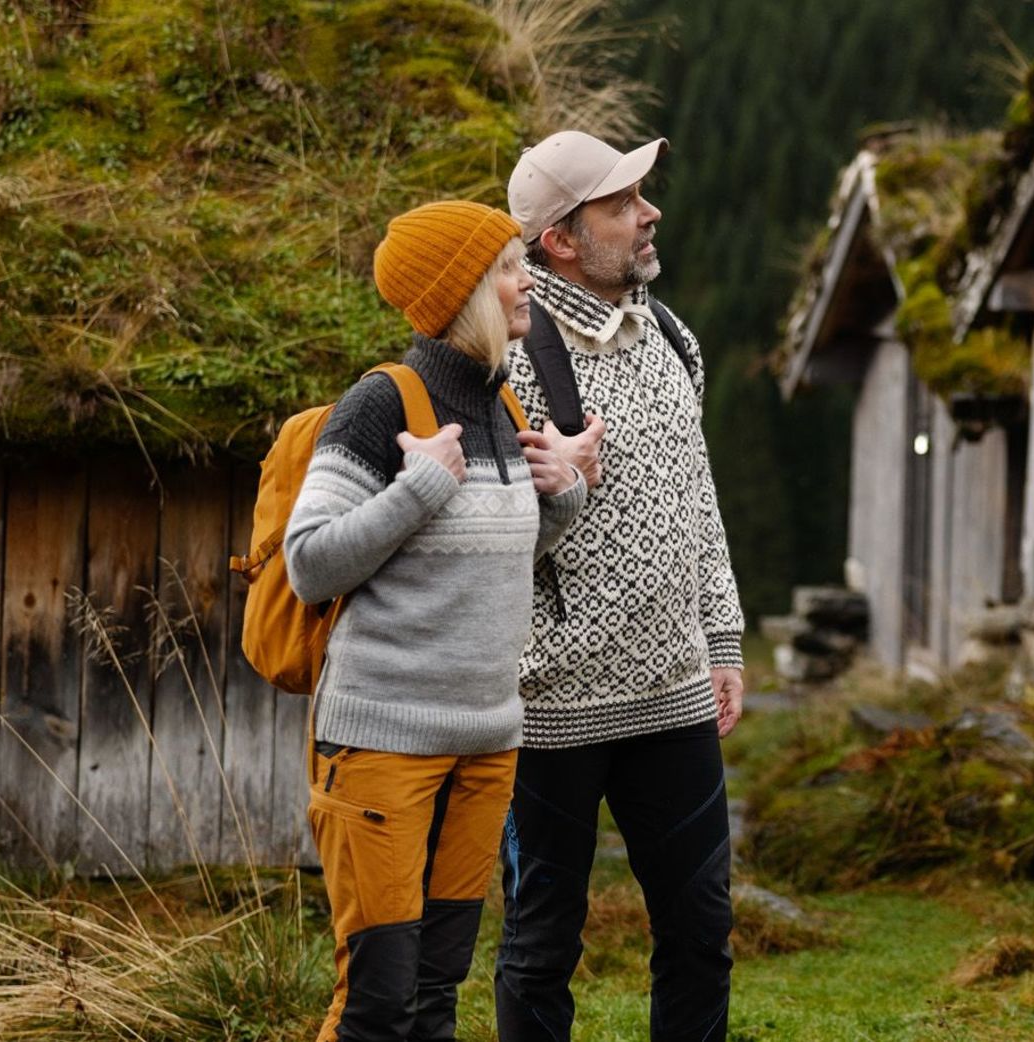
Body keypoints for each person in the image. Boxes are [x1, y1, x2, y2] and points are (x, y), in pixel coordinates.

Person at [282, 199, 590, 1042]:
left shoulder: (503, 407)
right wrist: (417, 489)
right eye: (505, 267)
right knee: (378, 1000)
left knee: (436, 990)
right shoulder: (381, 405)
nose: (526, 280)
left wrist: (562, 503)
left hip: (487, 747)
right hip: (382, 745)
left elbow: (481, 566)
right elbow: (308, 562)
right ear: (463, 291)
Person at [491, 130, 746, 1042]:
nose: (650, 213)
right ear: (559, 238)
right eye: (622, 203)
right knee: (540, 946)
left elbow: (697, 498)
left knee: (701, 934)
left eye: (643, 195)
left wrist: (721, 639)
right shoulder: (508, 361)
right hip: (548, 710)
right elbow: (471, 539)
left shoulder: (673, 336)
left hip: (674, 697)